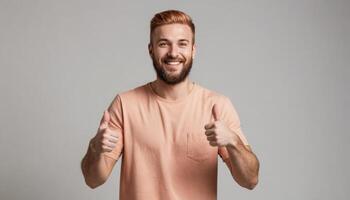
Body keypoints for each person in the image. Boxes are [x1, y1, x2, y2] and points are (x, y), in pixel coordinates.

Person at [81, 9, 260, 200]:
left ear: (193, 50)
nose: (173, 53)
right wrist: (95, 148)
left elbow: (250, 180)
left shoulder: (217, 106)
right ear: (151, 49)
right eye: (163, 44)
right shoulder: (125, 104)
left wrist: (233, 141)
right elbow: (93, 180)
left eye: (182, 44)